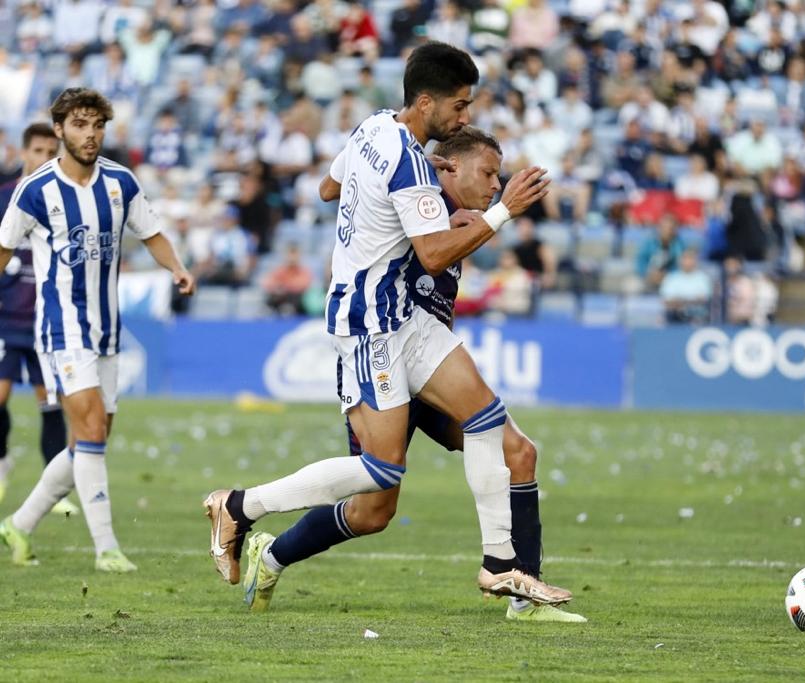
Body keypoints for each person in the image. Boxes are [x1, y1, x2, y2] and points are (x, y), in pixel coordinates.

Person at [202, 42, 571, 608]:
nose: (464, 118)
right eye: (459, 106)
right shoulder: (410, 165)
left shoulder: (373, 129)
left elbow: (328, 188)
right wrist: (502, 212)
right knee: (378, 480)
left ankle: (501, 567)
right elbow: (429, 255)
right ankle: (241, 507)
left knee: (493, 426)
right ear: (426, 102)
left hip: (410, 325)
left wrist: (402, 191)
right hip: (372, 322)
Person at [0, 88, 195, 571]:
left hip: (107, 330)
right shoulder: (36, 190)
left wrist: (177, 268)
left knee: (93, 437)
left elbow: (152, 233)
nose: (91, 135)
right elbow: (3, 249)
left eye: (98, 126)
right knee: (87, 428)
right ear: (61, 128)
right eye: (81, 126)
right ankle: (106, 547)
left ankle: (18, 524)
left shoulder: (120, 183)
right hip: (61, 327)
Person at [0, 124, 72, 513]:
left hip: (46, 319)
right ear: (24, 153)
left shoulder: (65, 203)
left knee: (50, 402)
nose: (44, 159)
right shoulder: (5, 199)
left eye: (51, 152)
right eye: (38, 151)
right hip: (5, 316)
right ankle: (1, 461)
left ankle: (53, 490)